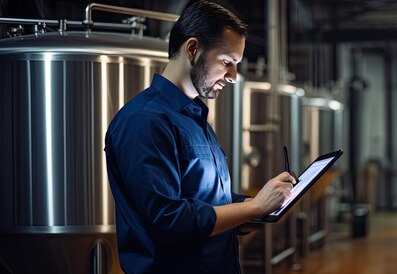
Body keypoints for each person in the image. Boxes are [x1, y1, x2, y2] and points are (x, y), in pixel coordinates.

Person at [104, 1, 296, 273]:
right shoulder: (145, 120)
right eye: (227, 62)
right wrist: (253, 208)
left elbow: (206, 201)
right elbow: (168, 219)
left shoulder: (194, 117)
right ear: (192, 49)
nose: (233, 76)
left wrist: (256, 206)